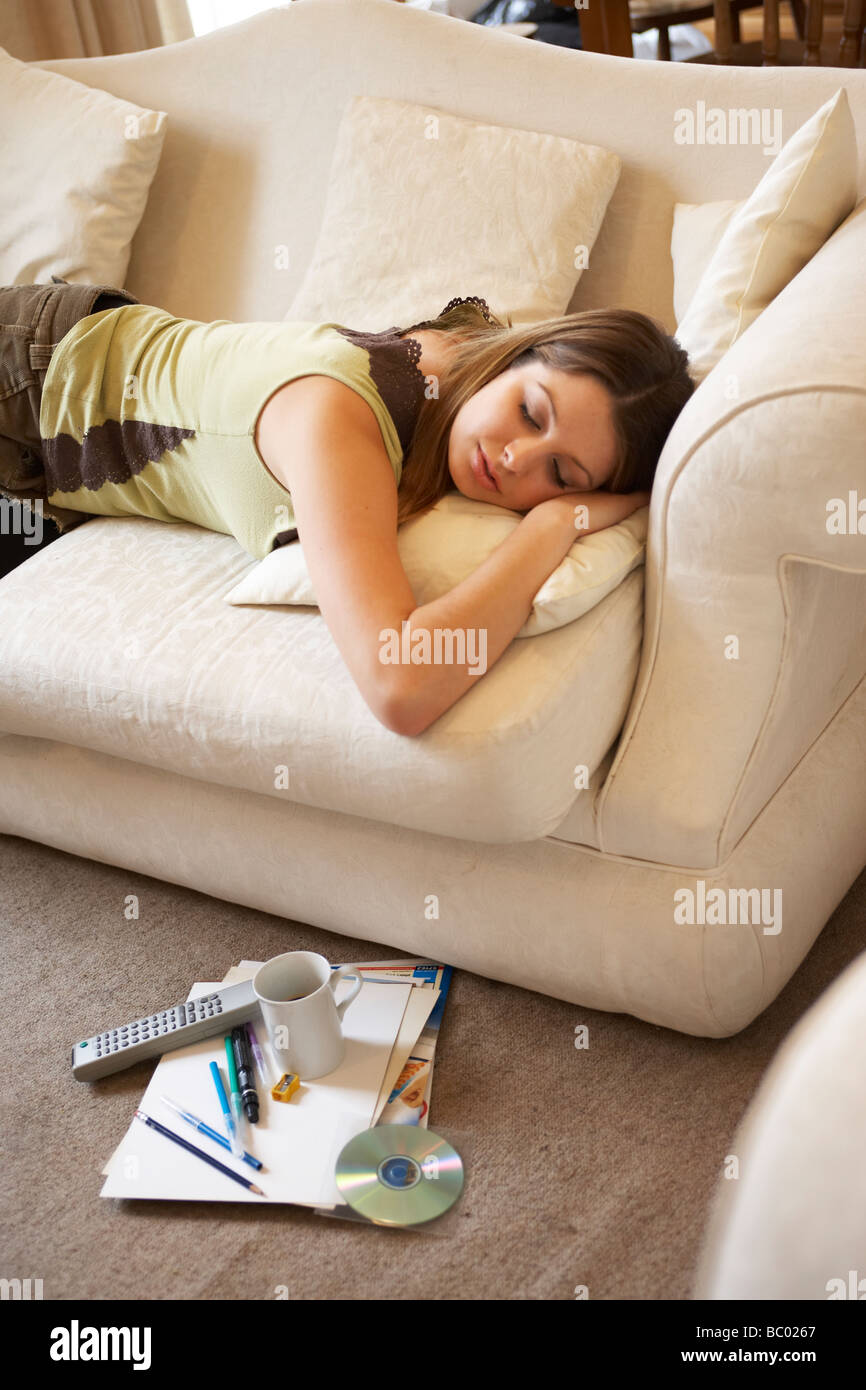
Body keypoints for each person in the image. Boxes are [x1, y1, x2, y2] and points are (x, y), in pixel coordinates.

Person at [0, 283, 693, 734]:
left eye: (561, 473)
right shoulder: (342, 424)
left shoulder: (457, 378)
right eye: (528, 412)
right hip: (29, 386)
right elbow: (402, 685)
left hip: (53, 442)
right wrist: (552, 525)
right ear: (516, 358)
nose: (515, 459)